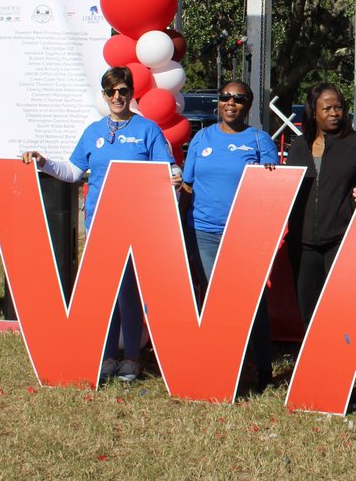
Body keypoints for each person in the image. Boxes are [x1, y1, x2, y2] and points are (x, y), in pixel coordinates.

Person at [21, 66, 180, 383]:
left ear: (131, 93)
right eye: (111, 92)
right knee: (105, 291)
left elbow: (169, 168)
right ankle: (107, 356)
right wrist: (43, 162)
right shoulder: (93, 131)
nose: (117, 97)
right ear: (104, 95)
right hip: (98, 221)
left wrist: (175, 176)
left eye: (122, 91)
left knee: (130, 291)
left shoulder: (148, 130)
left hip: (136, 224)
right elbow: (71, 171)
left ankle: (132, 358)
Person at [180, 80, 278, 392]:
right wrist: (181, 227)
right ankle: (222, 365)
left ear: (248, 105)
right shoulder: (202, 138)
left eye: (238, 98)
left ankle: (261, 368)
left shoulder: (260, 141)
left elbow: (273, 190)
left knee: (253, 301)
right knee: (215, 299)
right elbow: (187, 186)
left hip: (245, 234)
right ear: (218, 102)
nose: (230, 103)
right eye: (225, 97)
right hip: (204, 232)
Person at [285, 83, 356, 327]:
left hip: (342, 240)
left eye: (338, 107)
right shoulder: (297, 146)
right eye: (327, 108)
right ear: (313, 112)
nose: (334, 113)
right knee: (308, 310)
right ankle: (313, 361)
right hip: (302, 244)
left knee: (341, 309)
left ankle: (343, 358)